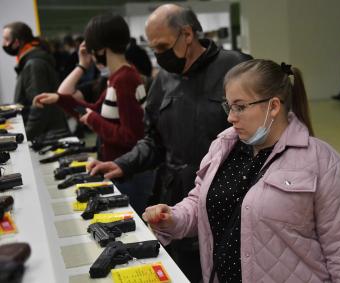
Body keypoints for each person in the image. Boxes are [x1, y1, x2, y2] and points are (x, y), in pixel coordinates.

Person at [142, 59, 340, 283]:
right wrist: (172, 218)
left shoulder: (325, 164)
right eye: (228, 106)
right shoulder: (222, 148)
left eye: (240, 107)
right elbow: (200, 201)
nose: (230, 117)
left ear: (273, 106)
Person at [87, 4, 251, 282]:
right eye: (154, 49)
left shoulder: (237, 68)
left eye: (163, 46)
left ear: (187, 34)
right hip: (176, 201)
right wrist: (121, 163)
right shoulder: (163, 80)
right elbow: (154, 141)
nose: (160, 56)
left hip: (230, 200)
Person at [33, 14, 153, 215]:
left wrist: (92, 119)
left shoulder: (124, 79)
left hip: (128, 174)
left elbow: (131, 136)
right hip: (120, 169)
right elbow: (94, 110)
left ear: (100, 49)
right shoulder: (118, 77)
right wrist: (59, 99)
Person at [2, 22, 69, 140]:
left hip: (47, 137)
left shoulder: (34, 64)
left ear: (17, 42)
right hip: (46, 134)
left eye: (6, 39)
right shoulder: (31, 61)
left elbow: (39, 106)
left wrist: (24, 136)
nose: (4, 44)